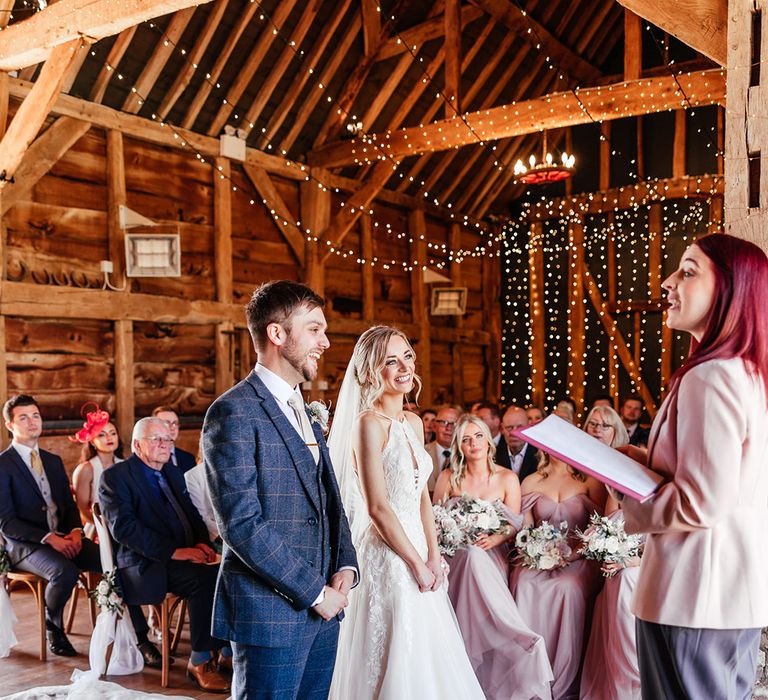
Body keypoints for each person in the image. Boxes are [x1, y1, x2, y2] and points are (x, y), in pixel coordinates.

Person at [618, 233, 768, 700]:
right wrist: (642, 463)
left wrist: (631, 498)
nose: (667, 282)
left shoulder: (711, 375)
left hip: (692, 596)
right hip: (726, 595)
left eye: (687, 270)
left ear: (730, 287)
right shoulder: (748, 372)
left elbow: (701, 501)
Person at [202, 280, 358, 700]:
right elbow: (241, 525)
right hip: (271, 613)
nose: (325, 342)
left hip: (325, 610)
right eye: (314, 330)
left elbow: (329, 499)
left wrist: (346, 563)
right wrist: (313, 592)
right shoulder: (233, 411)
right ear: (276, 333)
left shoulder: (303, 408)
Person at [329, 325, 484, 699]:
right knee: (394, 650)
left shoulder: (412, 422)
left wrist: (434, 554)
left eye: (407, 357)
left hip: (419, 545)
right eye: (390, 361)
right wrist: (415, 563)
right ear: (370, 371)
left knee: (428, 649)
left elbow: (421, 498)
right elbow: (378, 508)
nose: (404, 368)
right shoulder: (367, 424)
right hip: (387, 551)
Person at [99, 416, 230, 692]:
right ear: (137, 444)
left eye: (168, 439)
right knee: (206, 579)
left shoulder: (171, 472)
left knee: (228, 571)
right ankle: (200, 661)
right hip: (144, 565)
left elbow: (192, 514)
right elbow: (125, 529)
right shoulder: (116, 476)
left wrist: (201, 543)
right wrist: (177, 552)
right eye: (156, 439)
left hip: (183, 557)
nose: (165, 444)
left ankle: (227, 652)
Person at [433, 414, 553, 700]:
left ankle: (511, 633)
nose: (473, 443)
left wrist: (495, 538)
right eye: (465, 439)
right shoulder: (449, 477)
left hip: (492, 552)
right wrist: (454, 536)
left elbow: (514, 524)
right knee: (470, 556)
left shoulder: (507, 478)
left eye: (477, 436)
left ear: (488, 440)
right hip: (455, 554)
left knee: (477, 556)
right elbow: (435, 520)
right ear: (459, 446)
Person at [0, 395, 102, 657]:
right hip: (24, 546)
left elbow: (68, 507)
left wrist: (77, 532)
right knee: (64, 572)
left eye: (35, 415)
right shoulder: (3, 465)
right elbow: (6, 522)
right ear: (10, 425)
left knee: (113, 559)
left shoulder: (53, 461)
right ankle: (53, 625)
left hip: (64, 536)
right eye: (23, 417)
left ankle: (131, 631)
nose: (32, 422)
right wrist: (49, 538)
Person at [510, 451, 606, 700]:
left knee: (568, 587)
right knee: (523, 582)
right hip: (540, 555)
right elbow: (526, 527)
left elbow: (600, 527)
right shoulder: (531, 480)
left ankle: (563, 680)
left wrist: (572, 554)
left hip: (580, 556)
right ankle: (531, 676)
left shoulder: (589, 480)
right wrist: (534, 551)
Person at [579, 406, 642, 700]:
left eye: (604, 425)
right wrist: (610, 547)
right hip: (615, 560)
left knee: (627, 578)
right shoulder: (612, 484)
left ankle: (639, 676)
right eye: (591, 423)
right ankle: (621, 682)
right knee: (619, 578)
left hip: (646, 562)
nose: (596, 429)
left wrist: (632, 558)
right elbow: (610, 521)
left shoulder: (660, 489)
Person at [70, 404, 123, 539]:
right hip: (97, 528)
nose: (109, 438)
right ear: (92, 441)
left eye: (113, 433)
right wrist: (106, 528)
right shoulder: (86, 469)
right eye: (102, 435)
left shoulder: (124, 465)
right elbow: (81, 509)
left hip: (124, 525)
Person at [424, 405, 461, 492]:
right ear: (434, 426)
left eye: (454, 424)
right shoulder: (422, 452)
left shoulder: (465, 455)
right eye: (444, 422)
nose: (448, 428)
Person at [496, 405, 538, 480]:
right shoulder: (493, 455)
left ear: (528, 427)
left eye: (520, 427)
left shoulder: (541, 456)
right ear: (502, 429)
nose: (514, 433)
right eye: (509, 428)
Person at [152, 406, 196, 473]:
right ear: (153, 426)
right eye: (167, 423)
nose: (172, 428)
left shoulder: (189, 459)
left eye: (175, 423)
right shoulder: (148, 457)